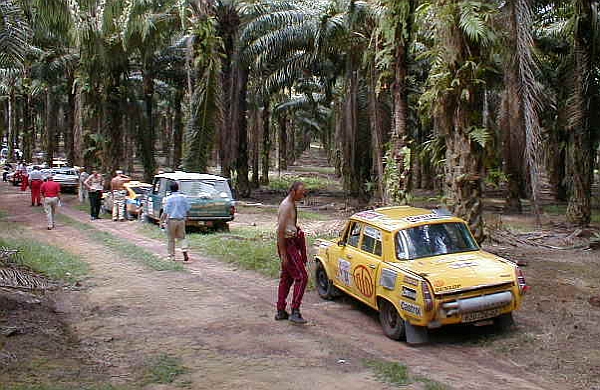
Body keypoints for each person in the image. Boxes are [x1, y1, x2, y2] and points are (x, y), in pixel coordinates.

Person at [275, 181, 308, 324]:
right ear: (293, 191)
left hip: (291, 241)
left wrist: (296, 230)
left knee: (287, 278)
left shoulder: (293, 204)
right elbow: (280, 231)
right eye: (301, 193)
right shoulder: (286, 206)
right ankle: (295, 310)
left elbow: (290, 225)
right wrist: (283, 254)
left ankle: (281, 310)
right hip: (287, 245)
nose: (302, 195)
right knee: (302, 277)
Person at [160, 182, 191, 262]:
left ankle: (171, 256)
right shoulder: (184, 197)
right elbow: (188, 209)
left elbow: (165, 211)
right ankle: (184, 250)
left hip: (171, 220)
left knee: (171, 239)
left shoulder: (168, 198)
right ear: (178, 188)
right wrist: (187, 218)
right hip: (181, 220)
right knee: (182, 237)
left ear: (170, 189)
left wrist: (161, 220)